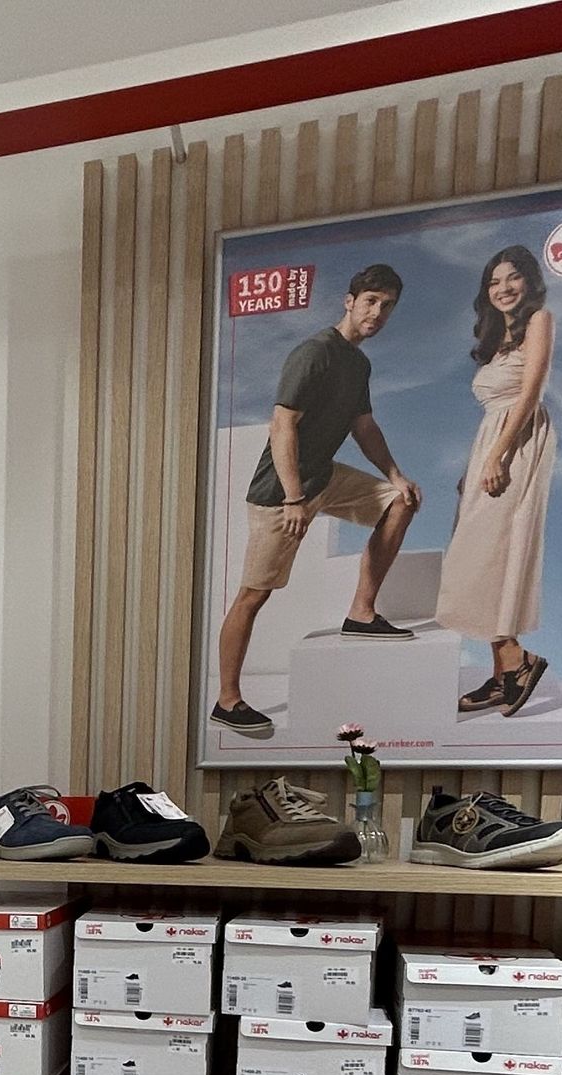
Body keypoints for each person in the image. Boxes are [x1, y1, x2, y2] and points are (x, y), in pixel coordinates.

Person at [210, 263, 425, 742]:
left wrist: (395, 475)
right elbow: (282, 424)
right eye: (371, 301)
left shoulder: (359, 365)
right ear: (349, 302)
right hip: (280, 492)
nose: (378, 312)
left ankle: (361, 614)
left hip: (324, 476)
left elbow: (364, 426)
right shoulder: (315, 353)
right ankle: (227, 701)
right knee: (253, 596)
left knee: (400, 501)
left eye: (387, 306)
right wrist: (293, 497)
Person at [437, 244, 558, 718]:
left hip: (519, 442)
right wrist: (475, 465)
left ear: (529, 281)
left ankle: (517, 659)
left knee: (497, 548)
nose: (503, 288)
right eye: (494, 281)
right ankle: (505, 671)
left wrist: (500, 454)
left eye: (512, 277)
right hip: (492, 443)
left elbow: (531, 391)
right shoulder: (497, 340)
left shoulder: (539, 321)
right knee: (479, 553)